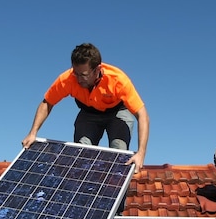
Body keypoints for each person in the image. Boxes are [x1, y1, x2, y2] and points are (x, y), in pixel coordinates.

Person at [22, 43, 149, 171]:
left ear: (97, 69)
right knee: (82, 153)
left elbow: (142, 115)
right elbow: (47, 102)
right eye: (75, 73)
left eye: (83, 75)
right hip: (89, 114)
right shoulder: (67, 79)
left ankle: (117, 187)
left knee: (118, 153)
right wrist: (32, 133)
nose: (78, 79)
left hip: (117, 112)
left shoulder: (118, 80)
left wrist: (141, 153)